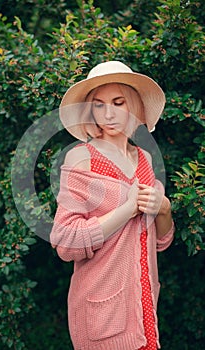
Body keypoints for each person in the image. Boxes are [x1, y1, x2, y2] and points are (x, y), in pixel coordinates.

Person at [50, 61, 174, 350]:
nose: (108, 114)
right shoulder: (82, 159)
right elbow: (66, 243)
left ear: (132, 105)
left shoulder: (144, 158)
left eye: (118, 103)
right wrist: (127, 209)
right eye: (98, 104)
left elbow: (161, 242)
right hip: (101, 311)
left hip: (142, 307)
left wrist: (164, 209)